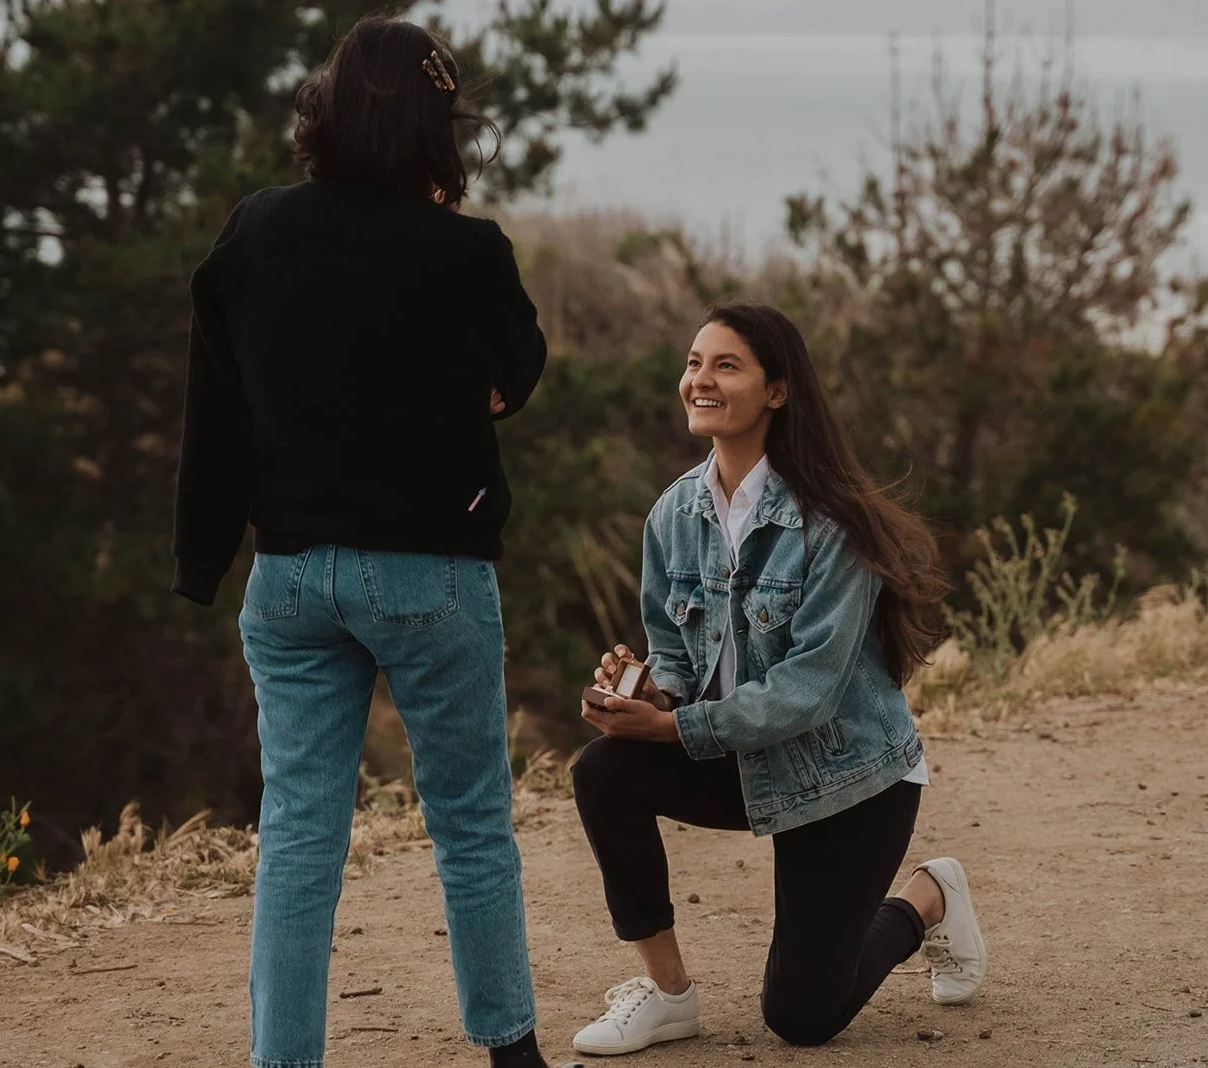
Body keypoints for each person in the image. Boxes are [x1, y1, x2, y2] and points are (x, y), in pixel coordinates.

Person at [171, 17, 563, 1068]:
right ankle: (510, 1053)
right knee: (470, 824)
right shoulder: (464, 251)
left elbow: (215, 408)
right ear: (438, 128)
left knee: (299, 835)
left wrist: (199, 556)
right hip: (429, 573)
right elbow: (517, 369)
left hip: (290, 576)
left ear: (325, 112)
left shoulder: (253, 232)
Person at [568, 303, 988, 1056]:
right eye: (695, 363)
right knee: (604, 770)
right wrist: (647, 694)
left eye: (726, 365)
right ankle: (668, 997)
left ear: (777, 392)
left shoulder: (834, 523)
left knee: (801, 1019)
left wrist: (677, 728)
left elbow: (810, 690)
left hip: (848, 777)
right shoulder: (672, 517)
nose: (701, 380)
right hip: (742, 754)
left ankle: (929, 897)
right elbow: (676, 659)